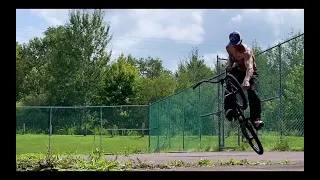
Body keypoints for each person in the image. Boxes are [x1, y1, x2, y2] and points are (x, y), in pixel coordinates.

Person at [224, 31, 264, 130]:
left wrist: (246, 80)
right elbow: (231, 57)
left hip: (250, 72)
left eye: (237, 45)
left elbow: (250, 68)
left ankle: (255, 119)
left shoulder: (246, 52)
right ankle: (230, 110)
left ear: (240, 42)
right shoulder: (229, 48)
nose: (235, 47)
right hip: (238, 71)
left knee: (253, 91)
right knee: (229, 81)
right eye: (233, 45)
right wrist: (229, 65)